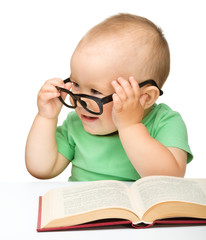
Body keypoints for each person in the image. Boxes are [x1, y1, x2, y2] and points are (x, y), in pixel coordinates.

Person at [25, 13, 193, 181]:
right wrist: (46, 117)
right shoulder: (76, 123)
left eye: (96, 92)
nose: (80, 101)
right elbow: (41, 169)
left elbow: (170, 179)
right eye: (75, 84)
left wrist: (130, 126)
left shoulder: (165, 122)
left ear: (146, 97)